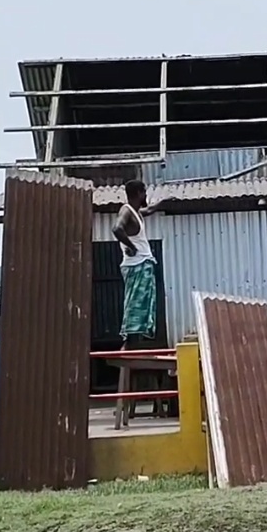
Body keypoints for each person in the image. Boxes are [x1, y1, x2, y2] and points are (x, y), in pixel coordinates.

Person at [110, 179, 166, 428]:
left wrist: (162, 204)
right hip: (136, 265)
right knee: (135, 306)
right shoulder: (125, 210)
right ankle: (130, 342)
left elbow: (146, 211)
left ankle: (136, 340)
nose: (147, 196)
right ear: (137, 193)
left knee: (144, 306)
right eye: (145, 192)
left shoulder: (136, 211)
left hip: (143, 265)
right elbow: (116, 229)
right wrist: (131, 247)